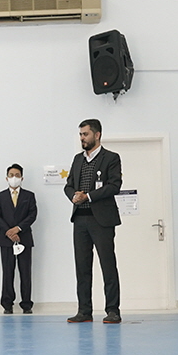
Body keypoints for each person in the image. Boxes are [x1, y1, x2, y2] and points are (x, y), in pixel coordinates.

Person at [64, 119, 123, 324]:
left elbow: (114, 185)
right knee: (82, 266)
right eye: (80, 134)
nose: (82, 138)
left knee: (108, 265)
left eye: (85, 134)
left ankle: (113, 310)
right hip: (80, 219)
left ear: (97, 135)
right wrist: (73, 196)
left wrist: (88, 196)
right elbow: (69, 185)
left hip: (102, 220)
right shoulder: (77, 159)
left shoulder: (112, 158)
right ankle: (84, 311)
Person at [0, 164, 38, 314]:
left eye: (17, 175)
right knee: (7, 272)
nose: (14, 178)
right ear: (6, 178)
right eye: (11, 175)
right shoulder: (0, 196)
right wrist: (9, 231)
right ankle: (7, 304)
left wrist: (18, 229)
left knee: (25, 272)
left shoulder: (29, 196)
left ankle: (26, 304)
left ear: (22, 178)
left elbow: (32, 215)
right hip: (6, 240)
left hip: (24, 238)